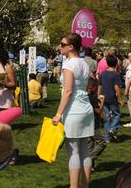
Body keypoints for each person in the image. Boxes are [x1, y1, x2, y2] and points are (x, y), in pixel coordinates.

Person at [52, 33, 94, 188]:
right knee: (84, 149)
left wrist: (58, 114)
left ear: (71, 47)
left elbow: (68, 91)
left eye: (63, 44)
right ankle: (85, 185)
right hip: (85, 108)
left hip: (74, 110)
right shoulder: (84, 63)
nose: (60, 46)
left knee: (74, 151)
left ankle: (74, 186)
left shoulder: (69, 65)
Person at [98, 55, 122, 142]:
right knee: (117, 114)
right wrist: (120, 98)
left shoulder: (103, 73)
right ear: (116, 63)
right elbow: (117, 87)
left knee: (107, 117)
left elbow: (100, 85)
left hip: (103, 97)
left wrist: (98, 96)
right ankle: (113, 128)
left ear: (107, 63)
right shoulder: (116, 74)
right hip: (112, 98)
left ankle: (107, 138)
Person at [86, 77, 106, 172]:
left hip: (85, 124)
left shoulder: (83, 96)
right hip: (93, 124)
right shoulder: (92, 98)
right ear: (91, 86)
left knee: (90, 144)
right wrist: (102, 103)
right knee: (101, 143)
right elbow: (98, 111)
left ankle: (90, 167)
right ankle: (89, 159)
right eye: (96, 87)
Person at [124, 54, 131, 128]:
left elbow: (130, 79)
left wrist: (126, 90)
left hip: (130, 89)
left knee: (130, 105)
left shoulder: (130, 67)